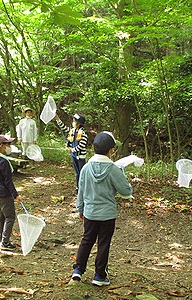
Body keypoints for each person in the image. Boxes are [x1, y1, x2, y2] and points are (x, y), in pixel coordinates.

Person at [71, 131, 133, 286]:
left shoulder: (86, 167)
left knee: (87, 240)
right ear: (111, 150)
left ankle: (78, 270)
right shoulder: (113, 169)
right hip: (107, 214)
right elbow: (126, 191)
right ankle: (99, 276)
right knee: (103, 243)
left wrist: (80, 209)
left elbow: (81, 190)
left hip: (90, 213)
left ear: (94, 147)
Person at [0, 135, 21, 251]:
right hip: (3, 194)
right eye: (7, 144)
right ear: (1, 146)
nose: (9, 147)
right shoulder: (3, 162)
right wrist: (15, 195)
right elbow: (8, 181)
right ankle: (5, 242)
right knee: (10, 217)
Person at [54, 113, 88, 191]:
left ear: (78, 123)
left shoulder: (83, 134)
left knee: (81, 173)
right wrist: (57, 119)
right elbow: (64, 128)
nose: (73, 122)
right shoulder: (72, 131)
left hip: (80, 157)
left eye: (74, 121)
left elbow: (81, 146)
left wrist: (72, 149)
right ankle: (78, 187)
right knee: (77, 173)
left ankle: (82, 188)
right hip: (74, 156)